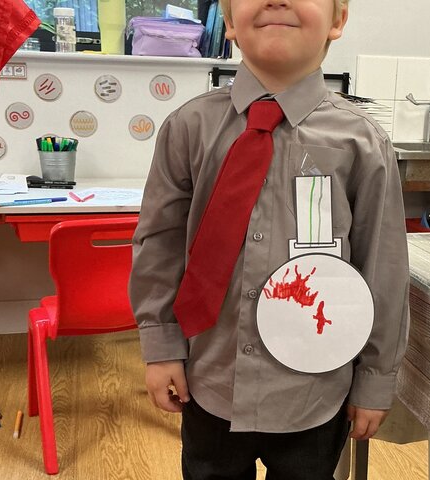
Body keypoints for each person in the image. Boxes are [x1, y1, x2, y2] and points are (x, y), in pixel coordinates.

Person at [129, 0, 410, 478]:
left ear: (338, 20)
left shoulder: (363, 143)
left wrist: (375, 378)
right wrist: (161, 344)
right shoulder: (189, 129)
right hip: (210, 379)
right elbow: (159, 243)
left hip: (315, 391)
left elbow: (382, 267)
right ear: (229, 21)